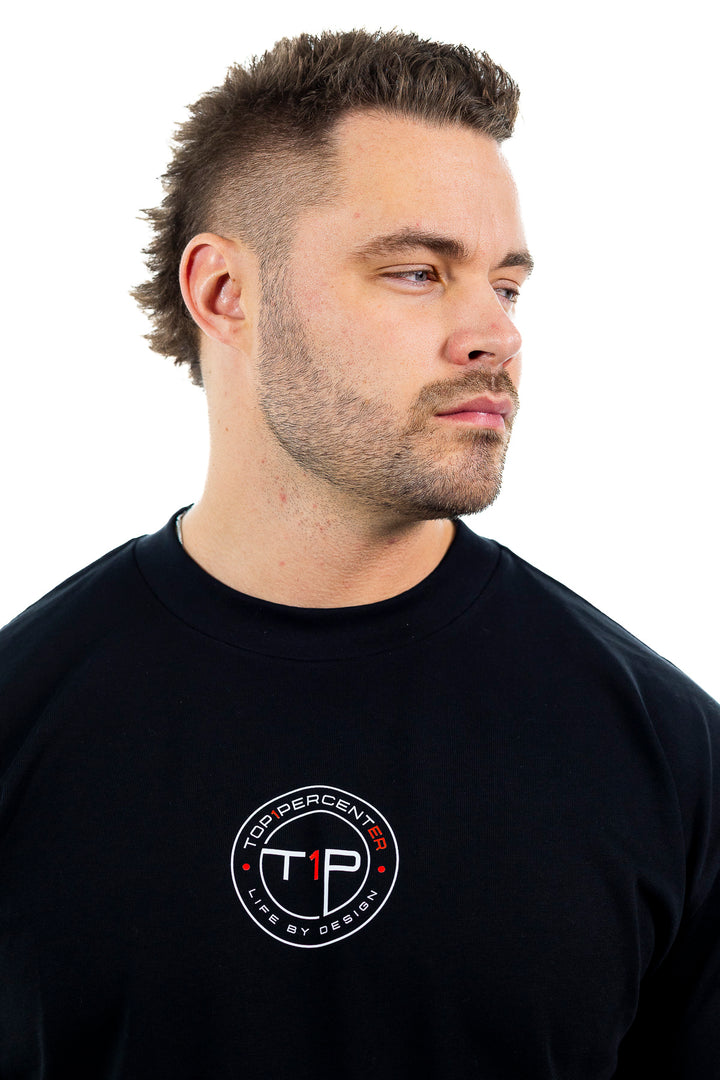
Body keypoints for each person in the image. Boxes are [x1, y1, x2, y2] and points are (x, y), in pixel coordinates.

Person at [1, 28, 718, 1080]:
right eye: (418, 272)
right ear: (224, 292)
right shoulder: (23, 717)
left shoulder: (666, 752)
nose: (496, 335)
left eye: (507, 287)